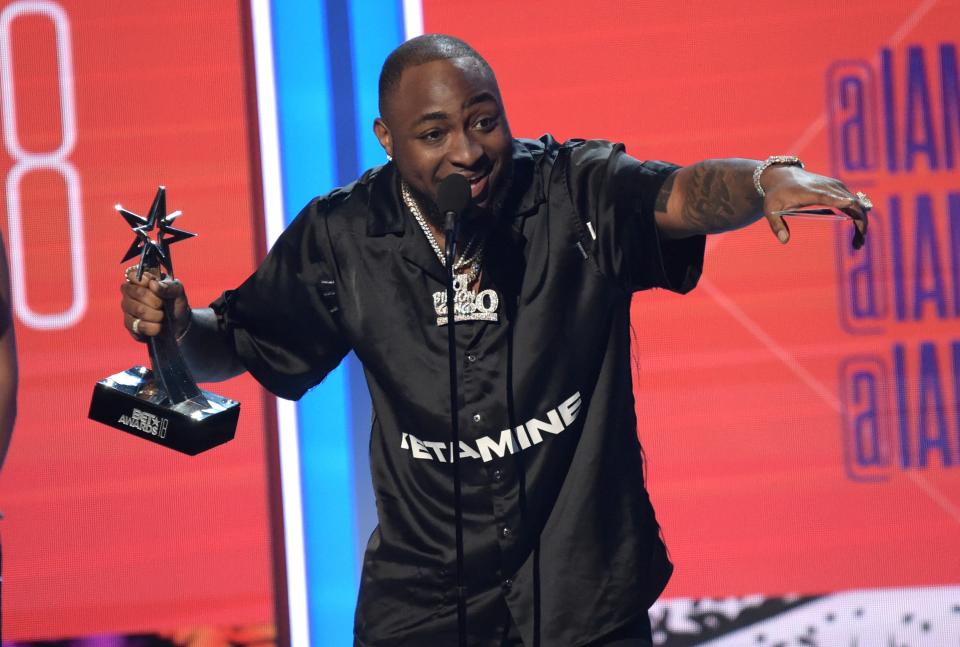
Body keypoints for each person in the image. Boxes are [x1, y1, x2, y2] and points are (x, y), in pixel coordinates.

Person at [120, 35, 869, 647]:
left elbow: (681, 193)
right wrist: (183, 330)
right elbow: (245, 342)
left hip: (585, 596)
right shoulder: (343, 237)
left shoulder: (573, 190)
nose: (468, 152)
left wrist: (766, 179)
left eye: (484, 121)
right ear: (386, 139)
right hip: (424, 606)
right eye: (434, 133)